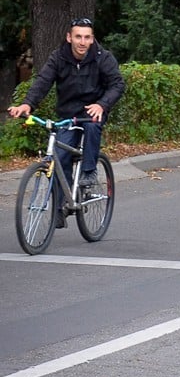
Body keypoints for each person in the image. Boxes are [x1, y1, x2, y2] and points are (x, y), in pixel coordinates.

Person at [7, 18, 126, 229]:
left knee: (91, 126)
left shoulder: (102, 58)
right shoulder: (59, 58)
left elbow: (117, 84)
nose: (82, 42)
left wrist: (101, 105)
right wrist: (27, 105)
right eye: (78, 36)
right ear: (69, 37)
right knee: (60, 157)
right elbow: (43, 81)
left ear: (92, 39)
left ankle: (89, 173)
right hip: (68, 114)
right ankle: (62, 206)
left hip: (92, 110)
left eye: (87, 37)